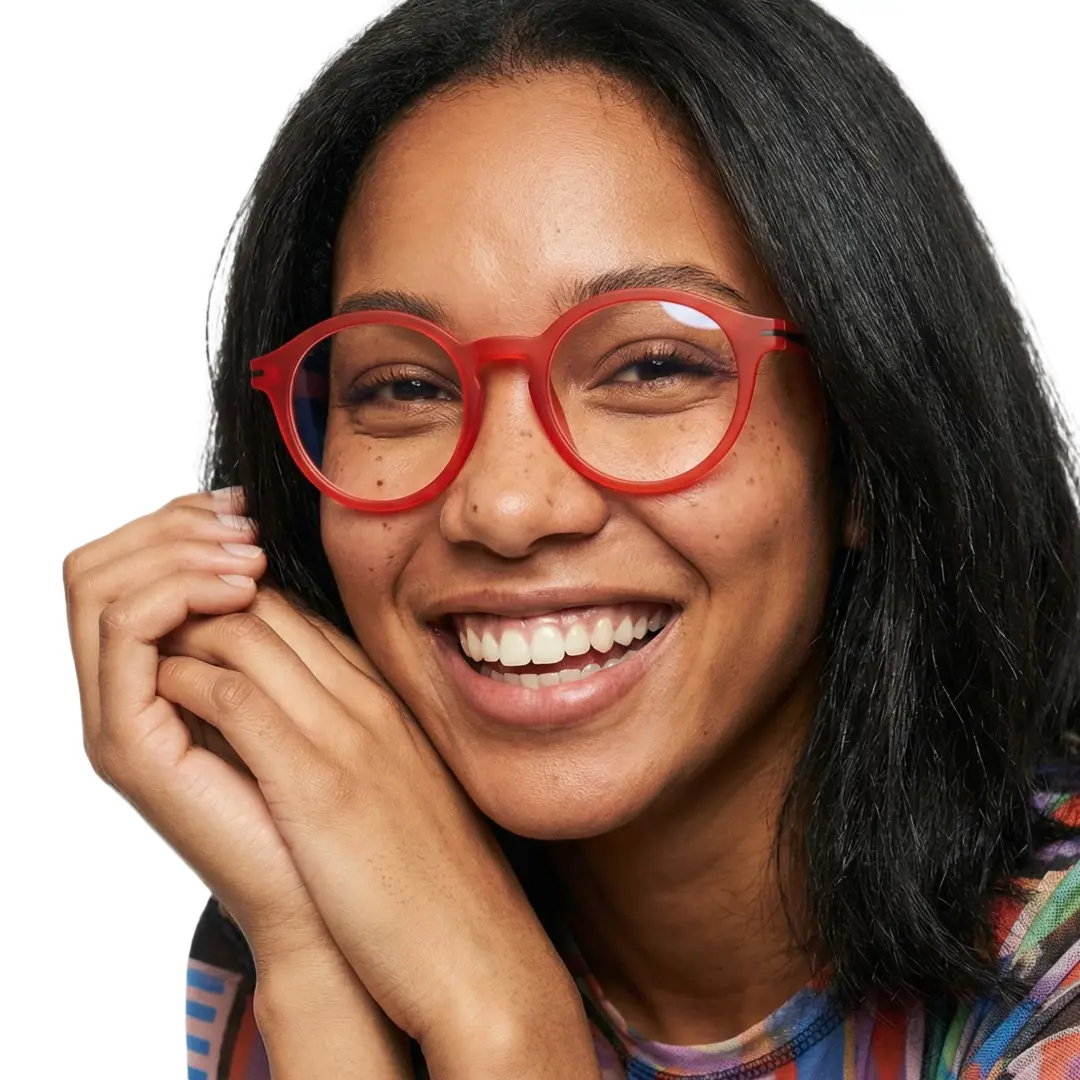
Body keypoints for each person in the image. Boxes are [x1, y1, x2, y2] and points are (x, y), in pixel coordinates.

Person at [62, 0, 1080, 1077]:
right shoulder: (322, 905)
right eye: (403, 384)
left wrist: (497, 1020)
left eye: (651, 367)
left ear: (870, 442)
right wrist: (311, 955)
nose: (504, 506)